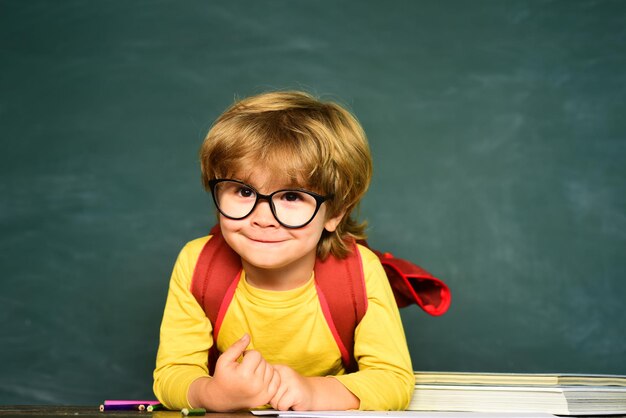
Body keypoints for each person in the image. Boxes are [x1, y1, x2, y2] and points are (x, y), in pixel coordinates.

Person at [153, 91, 415, 412]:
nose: (263, 218)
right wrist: (213, 395)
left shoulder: (360, 272)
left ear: (335, 214)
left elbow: (394, 380)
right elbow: (172, 373)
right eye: (244, 191)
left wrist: (314, 392)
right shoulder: (197, 265)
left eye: (291, 196)